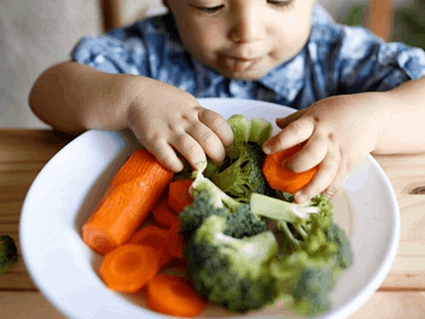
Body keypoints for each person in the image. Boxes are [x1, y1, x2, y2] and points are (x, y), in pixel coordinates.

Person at [29, 0, 425, 203]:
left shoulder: (339, 55)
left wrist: (374, 119)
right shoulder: (149, 52)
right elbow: (47, 91)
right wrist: (131, 98)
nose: (247, 32)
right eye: (210, 5)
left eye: (279, 0)